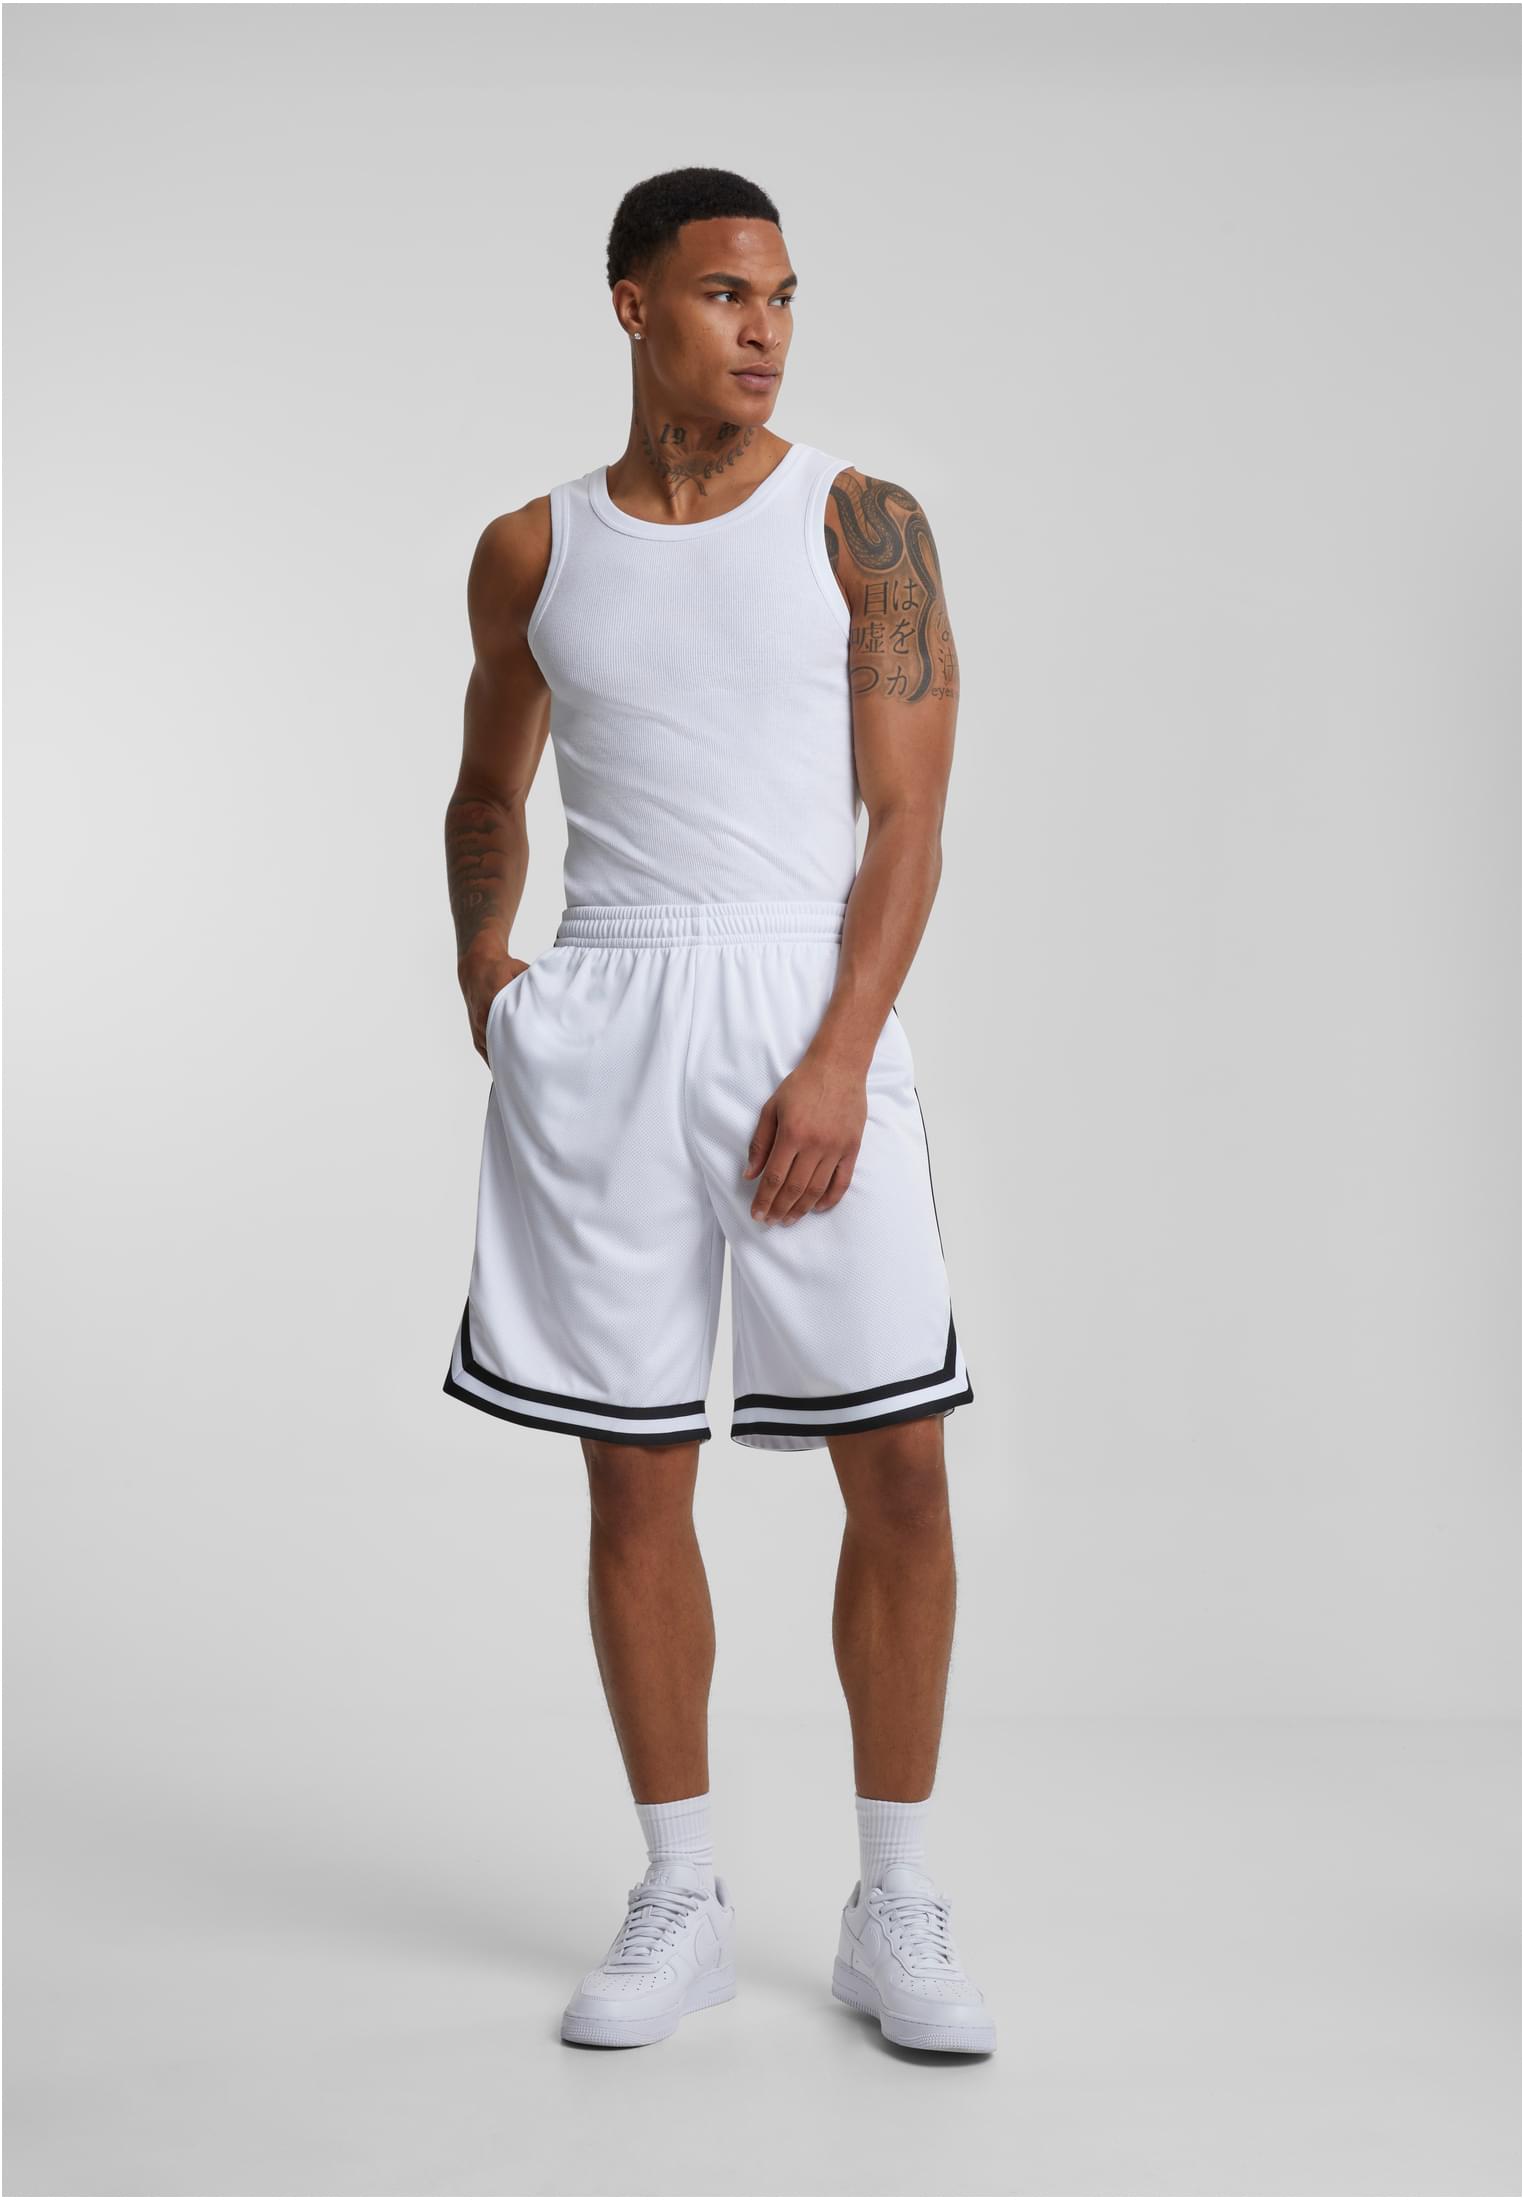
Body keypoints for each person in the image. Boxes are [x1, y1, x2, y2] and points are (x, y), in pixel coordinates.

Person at [442, 166, 992, 2056]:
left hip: (799, 998)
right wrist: (487, 970)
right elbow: (486, 786)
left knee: (899, 1461)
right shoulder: (535, 547)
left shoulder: (863, 520)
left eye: (781, 297)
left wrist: (838, 1054)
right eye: (723, 294)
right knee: (631, 1467)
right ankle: (678, 1892)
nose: (763, 330)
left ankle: (894, 1904)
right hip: (609, 1006)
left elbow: (909, 822)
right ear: (632, 305)